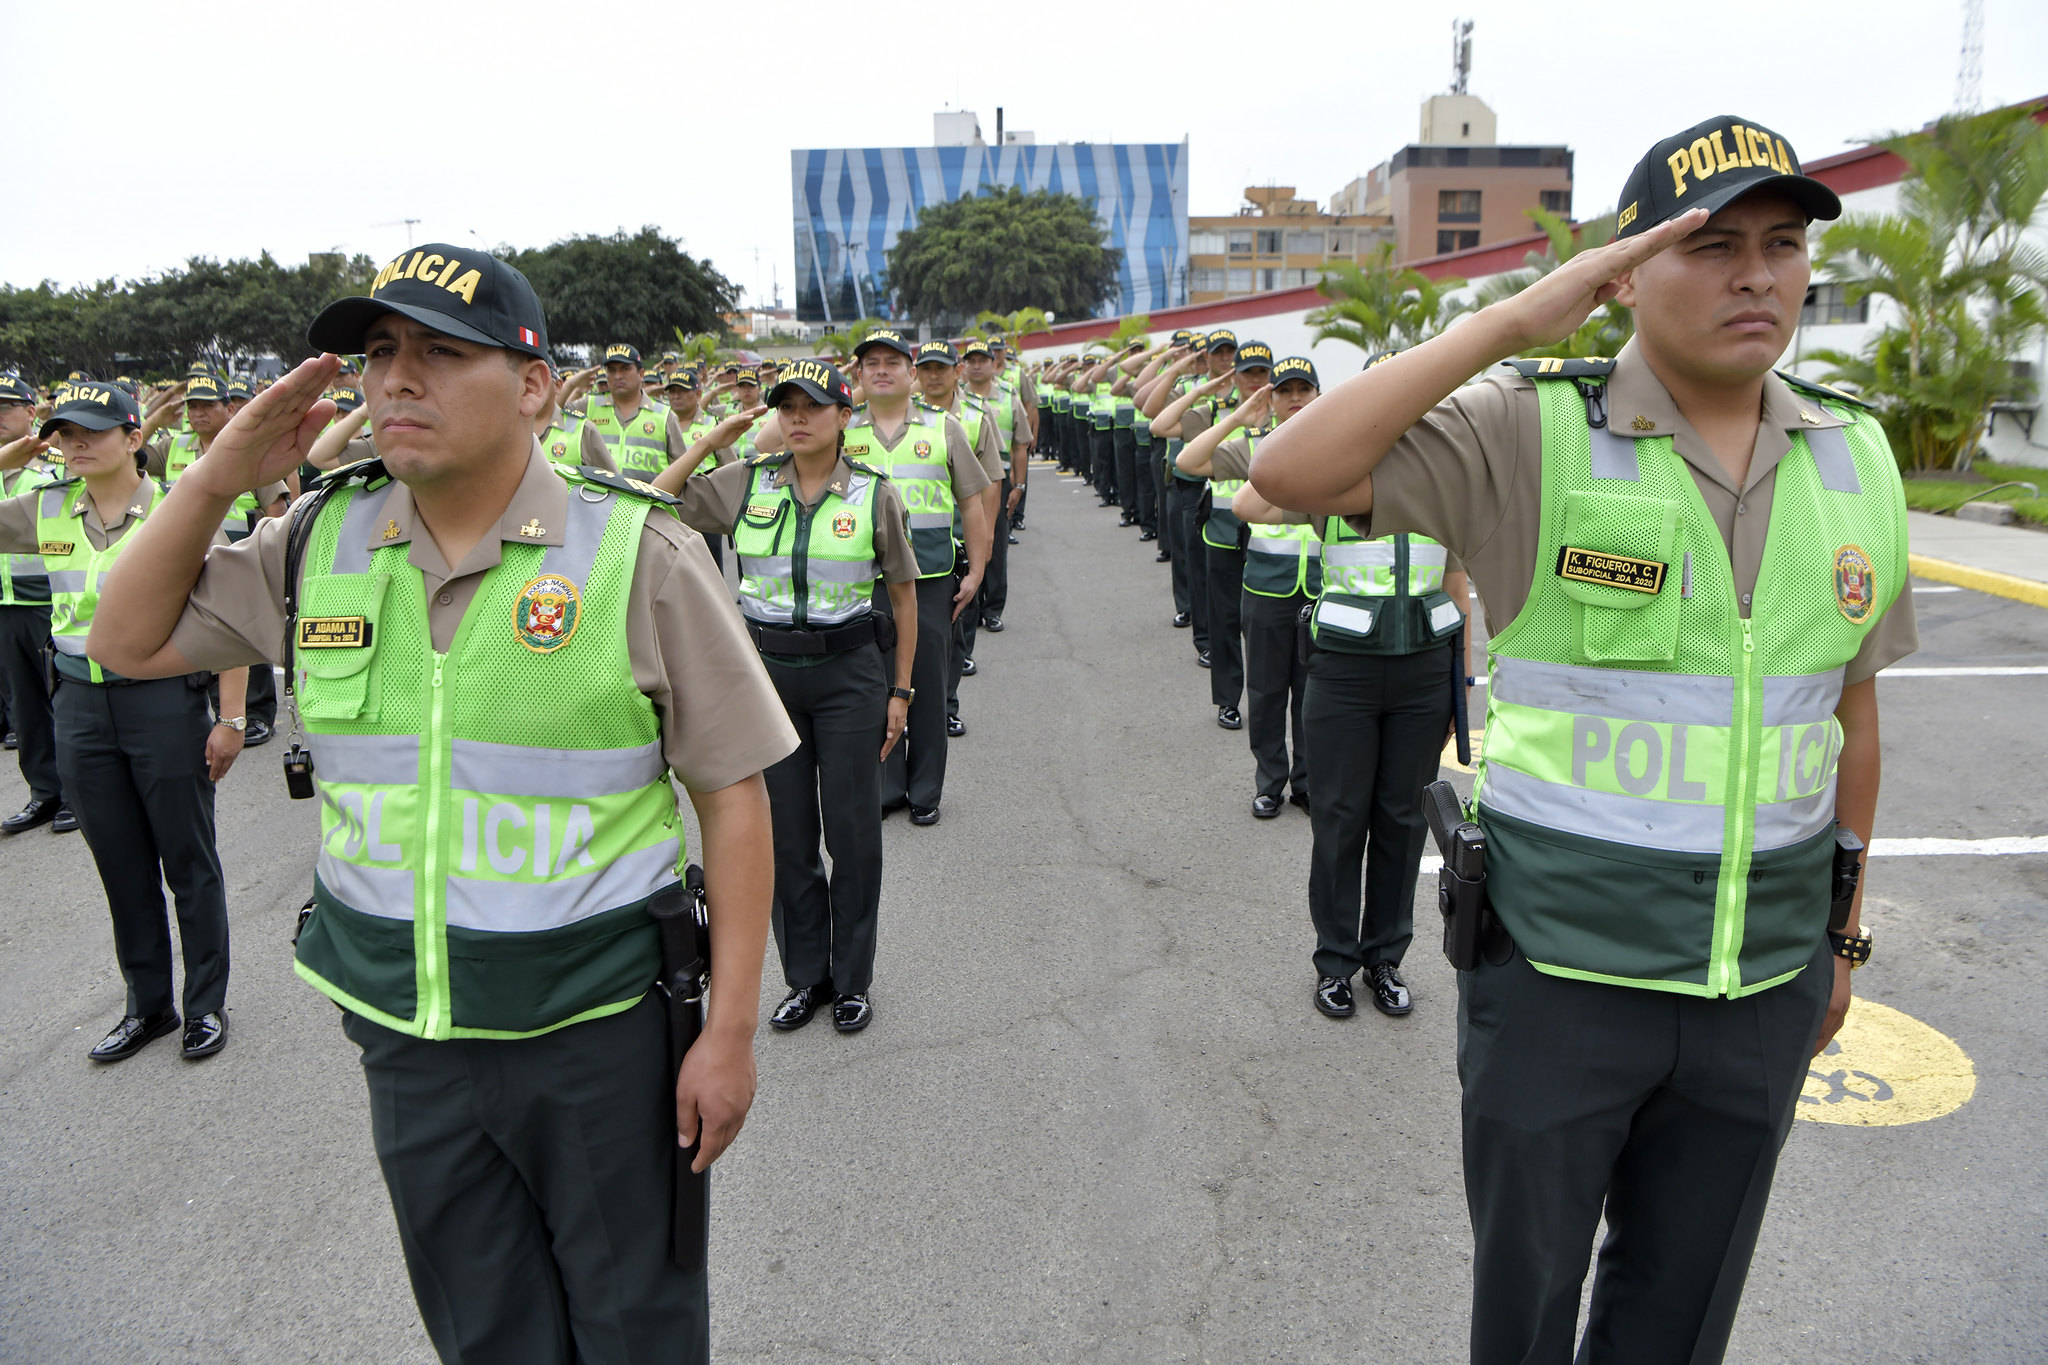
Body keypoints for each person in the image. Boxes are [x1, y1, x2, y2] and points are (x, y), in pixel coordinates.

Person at [1248, 116, 1912, 1364]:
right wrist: (1510, 322)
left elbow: (1849, 715)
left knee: (1680, 1319)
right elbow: (1287, 474)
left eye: (1780, 245)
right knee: (1526, 1310)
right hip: (1559, 976)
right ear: (1626, 271)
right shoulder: (1532, 427)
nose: (1755, 276)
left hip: (1759, 985)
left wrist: (1840, 941)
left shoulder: (1852, 454)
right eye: (1710, 246)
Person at [89, 244, 796, 1364]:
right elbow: (122, 640)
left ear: (534, 386)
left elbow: (735, 795)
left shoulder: (637, 552)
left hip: (598, 1032)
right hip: (407, 1036)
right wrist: (215, 476)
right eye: (379, 352)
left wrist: (730, 1032)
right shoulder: (320, 539)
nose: (397, 378)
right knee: (485, 1334)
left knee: (635, 1329)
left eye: (441, 352)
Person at [655, 359, 919, 1034]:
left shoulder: (872, 494)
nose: (797, 418)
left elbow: (903, 593)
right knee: (787, 839)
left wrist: (901, 689)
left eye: (813, 406)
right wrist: (711, 441)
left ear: (844, 416)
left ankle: (852, 979)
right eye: (786, 406)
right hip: (769, 677)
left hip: (850, 675)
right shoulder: (747, 482)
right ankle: (807, 977)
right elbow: (653, 499)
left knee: (853, 835)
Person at [0, 383, 247, 1061]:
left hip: (162, 701)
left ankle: (205, 1003)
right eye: (63, 432)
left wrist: (230, 716)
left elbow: (229, 614)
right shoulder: (45, 507)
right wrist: (12, 454)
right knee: (120, 863)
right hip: (78, 704)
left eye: (92, 430)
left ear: (134, 438)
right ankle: (149, 1005)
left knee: (187, 859)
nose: (74, 443)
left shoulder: (178, 508)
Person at [1237, 351, 1471, 1019]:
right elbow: (1250, 502)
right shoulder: (1331, 478)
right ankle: (1335, 961)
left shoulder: (1445, 481)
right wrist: (1313, 433)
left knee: (1403, 820)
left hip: (1423, 673)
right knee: (1340, 819)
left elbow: (1456, 586)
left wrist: (1459, 686)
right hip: (1344, 672)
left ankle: (1385, 958)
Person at [844, 329, 990, 823]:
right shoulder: (842, 429)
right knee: (874, 685)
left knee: (926, 685)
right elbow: (766, 441)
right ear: (859, 374)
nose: (881, 370)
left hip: (930, 577)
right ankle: (887, 787)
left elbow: (971, 503)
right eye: (871, 364)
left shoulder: (943, 427)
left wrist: (978, 569)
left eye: (892, 363)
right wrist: (851, 397)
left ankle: (926, 791)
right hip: (864, 579)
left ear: (911, 374)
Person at [1179, 354, 1318, 816]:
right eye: (1285, 391)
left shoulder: (1333, 445)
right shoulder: (1256, 445)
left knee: (1314, 696)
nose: (1296, 400)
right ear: (1270, 399)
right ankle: (1270, 782)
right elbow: (1189, 460)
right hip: (1265, 588)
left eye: (1304, 390)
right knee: (1266, 692)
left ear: (1318, 395)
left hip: (1323, 590)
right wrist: (1238, 418)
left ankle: (1307, 783)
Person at [1153, 333, 1265, 730]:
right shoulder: (1218, 410)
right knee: (1225, 620)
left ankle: (1266, 703)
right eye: (1247, 373)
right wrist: (1204, 391)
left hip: (1270, 538)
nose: (1255, 381)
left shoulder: (1288, 416)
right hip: (1222, 530)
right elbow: (1161, 424)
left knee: (1265, 628)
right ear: (1235, 376)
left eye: (1262, 373)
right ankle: (1228, 700)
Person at [911, 341, 1004, 738]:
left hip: (957, 540)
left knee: (953, 632)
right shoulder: (901, 416)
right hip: (910, 546)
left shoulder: (975, 417)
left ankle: (946, 706)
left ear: (957, 371)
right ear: (915, 373)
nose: (934, 376)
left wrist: (985, 539)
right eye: (926, 368)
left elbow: (991, 483)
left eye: (942, 368)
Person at [0, 374, 72, 831]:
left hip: (48, 602)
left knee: (64, 704)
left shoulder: (53, 468)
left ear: (31, 412)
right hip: (5, 607)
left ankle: (77, 793)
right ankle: (44, 793)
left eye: (5, 407)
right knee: (24, 709)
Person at [961, 338, 1025, 629]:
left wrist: (1019, 486)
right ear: (963, 367)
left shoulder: (1009, 397)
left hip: (998, 479)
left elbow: (1020, 445)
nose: (976, 366)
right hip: (963, 481)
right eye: (971, 361)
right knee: (965, 544)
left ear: (994, 364)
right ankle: (970, 606)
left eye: (982, 361)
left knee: (996, 544)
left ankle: (993, 609)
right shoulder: (954, 397)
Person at [579, 342, 681, 476]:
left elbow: (682, 471)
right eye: (611, 370)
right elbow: (554, 415)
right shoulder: (589, 405)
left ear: (641, 374)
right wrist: (572, 387)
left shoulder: (664, 415)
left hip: (650, 490)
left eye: (625, 369)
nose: (618, 376)